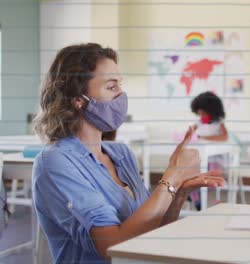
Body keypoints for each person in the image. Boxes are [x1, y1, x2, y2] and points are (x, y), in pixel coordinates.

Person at [32, 43, 224, 263]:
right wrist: (171, 177)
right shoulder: (55, 162)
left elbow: (152, 234)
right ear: (78, 99)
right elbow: (113, 247)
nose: (121, 96)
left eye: (120, 86)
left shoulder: (121, 153)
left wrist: (178, 193)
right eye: (111, 87)